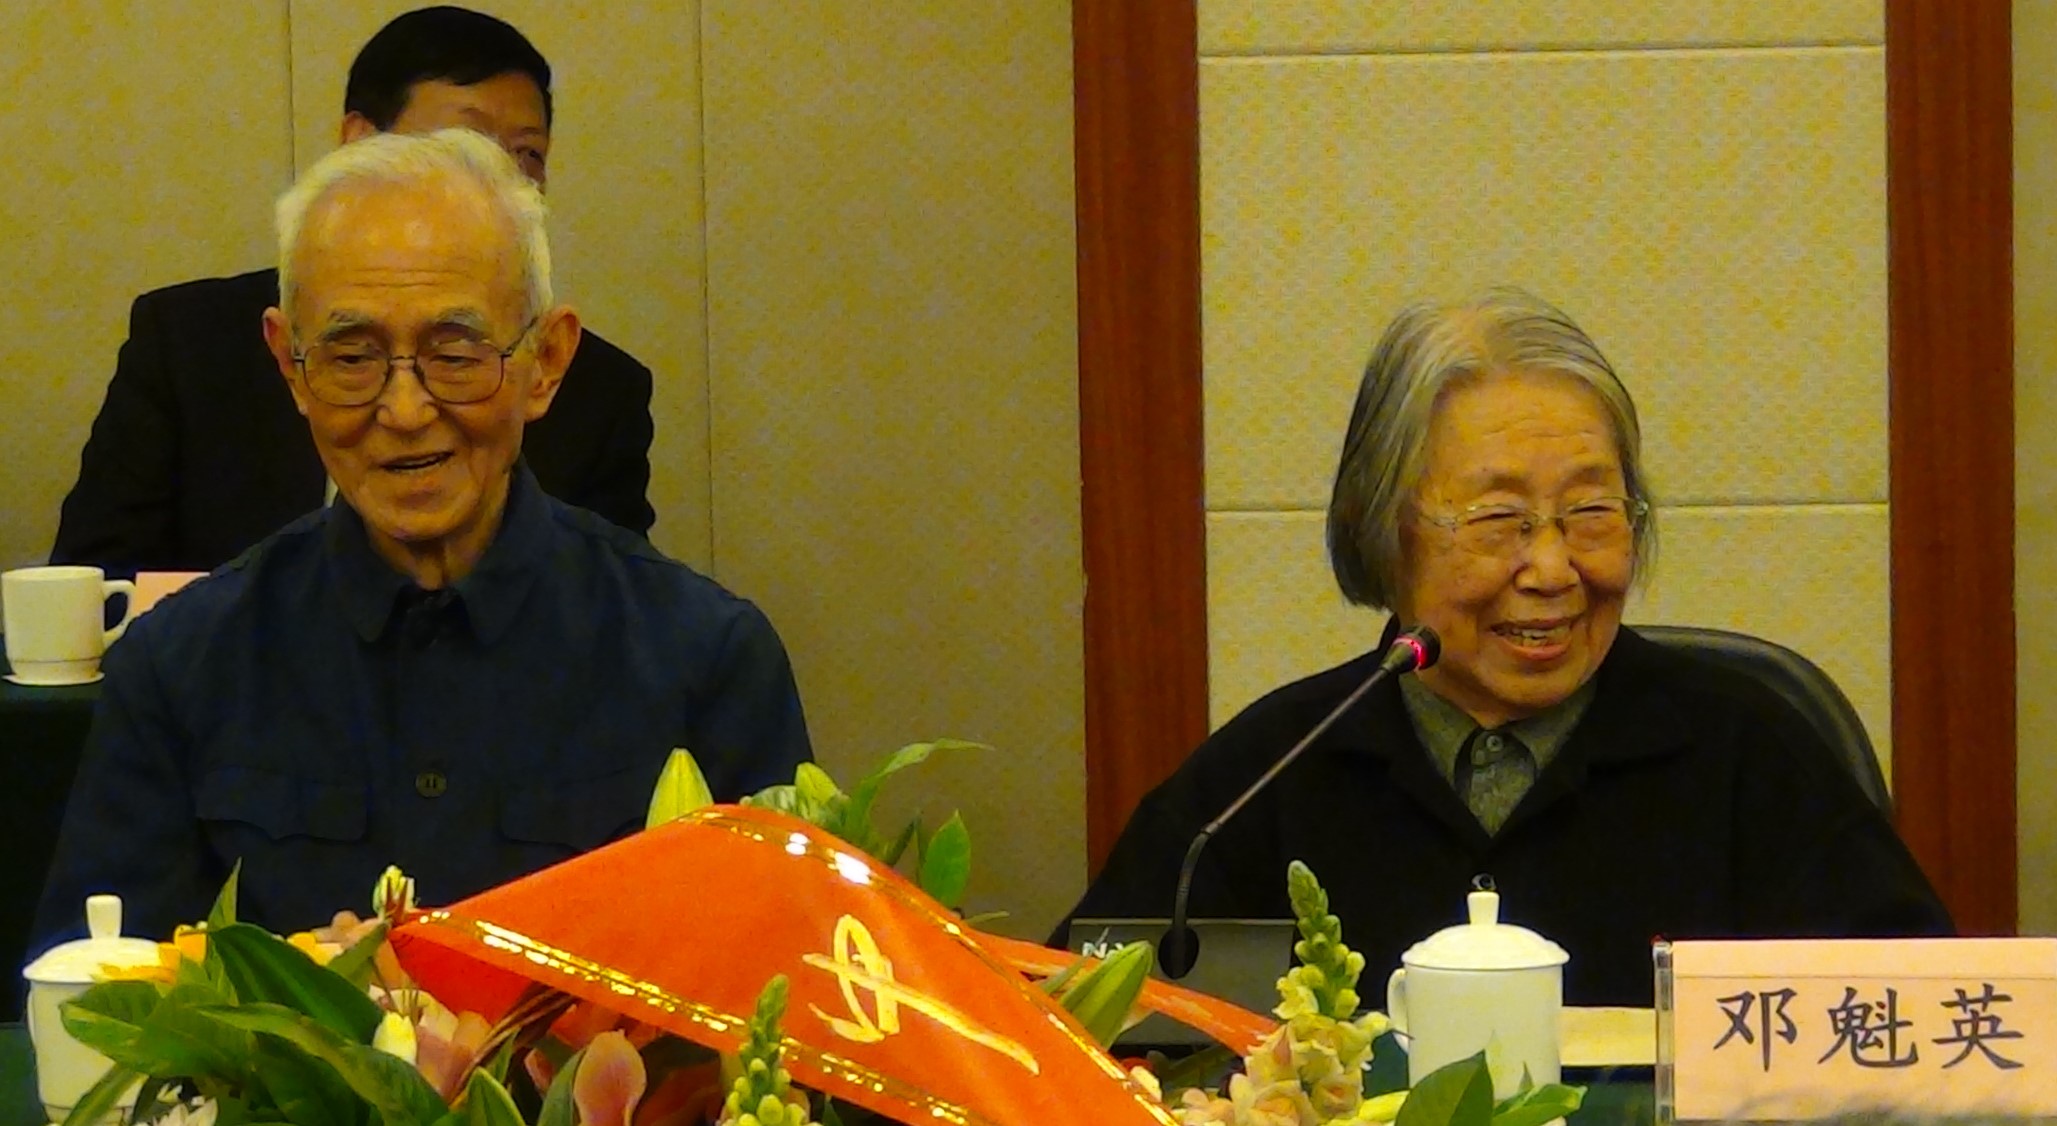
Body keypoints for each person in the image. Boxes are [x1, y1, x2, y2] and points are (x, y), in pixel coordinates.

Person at [1064, 289, 1951, 1006]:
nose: (1553, 570)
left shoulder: (1753, 754)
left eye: (1591, 512)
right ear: (1385, 533)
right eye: (1497, 520)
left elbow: (1918, 1037)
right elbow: (1076, 1039)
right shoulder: (1265, 778)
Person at [33, 129, 808, 949]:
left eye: (455, 354)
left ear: (546, 362)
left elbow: (796, 984)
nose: (404, 412)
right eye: (351, 357)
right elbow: (96, 991)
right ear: (290, 366)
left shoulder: (706, 660)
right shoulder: (181, 667)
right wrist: (304, 995)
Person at [51, 6, 655, 576]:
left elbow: (610, 604)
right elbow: (97, 590)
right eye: (461, 147)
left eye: (527, 155)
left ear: (546, 364)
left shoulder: (597, 388)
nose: (500, 178)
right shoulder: (190, 345)